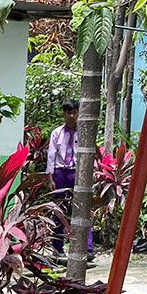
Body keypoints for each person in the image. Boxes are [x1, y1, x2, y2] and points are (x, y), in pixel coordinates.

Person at [47, 99, 92, 257]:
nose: (72, 116)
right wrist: (50, 179)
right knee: (59, 209)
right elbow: (51, 156)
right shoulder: (57, 133)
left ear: (78, 113)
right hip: (60, 173)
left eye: (74, 112)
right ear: (64, 114)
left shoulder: (84, 133)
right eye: (68, 113)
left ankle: (87, 248)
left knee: (83, 208)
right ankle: (57, 247)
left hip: (78, 172)